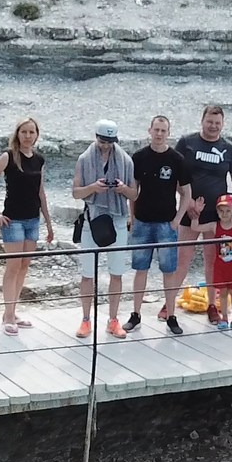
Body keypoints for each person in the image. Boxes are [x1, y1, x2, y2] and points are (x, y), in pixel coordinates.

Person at [0, 117, 54, 336]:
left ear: (37, 135)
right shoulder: (8, 157)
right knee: (12, 267)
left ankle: (12, 312)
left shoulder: (39, 160)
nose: (28, 136)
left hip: (33, 220)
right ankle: (8, 315)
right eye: (24, 132)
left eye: (32, 132)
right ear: (17, 134)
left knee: (24, 265)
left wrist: (48, 223)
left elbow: (40, 193)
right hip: (13, 220)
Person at [175, 105, 232, 325]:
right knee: (183, 259)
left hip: (217, 216)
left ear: (222, 124)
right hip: (190, 212)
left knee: (212, 261)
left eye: (217, 123)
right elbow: (176, 177)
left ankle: (212, 305)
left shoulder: (228, 149)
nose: (213, 126)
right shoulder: (186, 143)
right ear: (202, 121)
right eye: (210, 121)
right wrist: (186, 204)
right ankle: (168, 303)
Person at [124, 115, 192, 335]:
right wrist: (132, 218)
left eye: (164, 130)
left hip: (166, 224)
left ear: (168, 133)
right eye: (157, 130)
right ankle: (135, 314)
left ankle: (171, 316)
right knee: (140, 269)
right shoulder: (139, 157)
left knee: (169, 271)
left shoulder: (177, 159)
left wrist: (177, 219)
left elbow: (186, 192)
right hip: (143, 222)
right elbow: (133, 191)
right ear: (150, 131)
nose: (160, 134)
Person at [73, 119, 138, 339]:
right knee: (87, 273)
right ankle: (85, 319)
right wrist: (93, 188)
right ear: (96, 137)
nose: (106, 145)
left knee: (116, 272)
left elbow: (134, 194)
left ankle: (113, 319)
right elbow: (76, 192)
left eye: (110, 141)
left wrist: (122, 189)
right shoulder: (84, 159)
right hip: (93, 217)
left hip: (117, 218)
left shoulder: (126, 161)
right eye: (103, 140)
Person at [211, 195, 232, 331]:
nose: (224, 214)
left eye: (228, 211)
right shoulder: (215, 226)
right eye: (221, 211)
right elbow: (196, 227)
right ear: (217, 212)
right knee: (223, 293)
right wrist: (196, 213)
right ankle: (224, 317)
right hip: (220, 267)